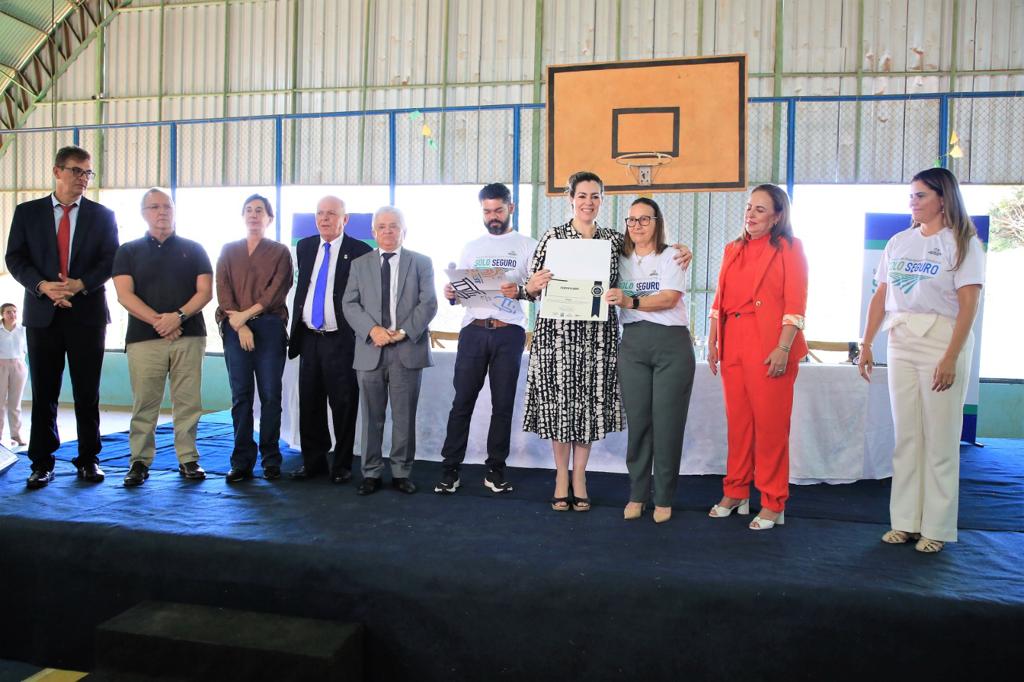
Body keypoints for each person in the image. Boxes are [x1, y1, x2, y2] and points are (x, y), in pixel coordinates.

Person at [858, 168, 984, 554]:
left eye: (920, 196)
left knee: (940, 439)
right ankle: (905, 521)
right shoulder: (899, 242)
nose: (912, 202)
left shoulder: (962, 243)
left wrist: (951, 357)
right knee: (907, 436)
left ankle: (937, 527)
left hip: (942, 340)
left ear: (943, 199)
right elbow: (881, 296)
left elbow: (969, 305)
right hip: (901, 341)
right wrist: (867, 343)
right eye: (911, 196)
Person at [4, 145, 119, 489]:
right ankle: (42, 462)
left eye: (88, 173)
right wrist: (43, 286)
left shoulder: (102, 216)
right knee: (44, 393)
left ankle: (89, 458)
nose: (83, 178)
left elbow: (111, 259)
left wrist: (80, 285)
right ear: (57, 172)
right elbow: (15, 258)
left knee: (87, 392)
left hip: (87, 314)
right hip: (43, 314)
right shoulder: (27, 213)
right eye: (76, 171)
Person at [517, 171, 624, 512]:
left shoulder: (614, 241)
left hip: (597, 337)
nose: (588, 202)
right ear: (570, 199)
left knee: (588, 406)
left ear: (602, 200)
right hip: (557, 337)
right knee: (561, 406)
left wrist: (678, 250)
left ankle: (580, 476)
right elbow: (530, 290)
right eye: (582, 196)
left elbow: (644, 261)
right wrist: (533, 285)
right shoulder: (553, 237)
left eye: (595, 196)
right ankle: (561, 476)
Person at [707, 184, 808, 531]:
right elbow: (719, 299)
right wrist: (713, 340)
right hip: (733, 340)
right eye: (749, 207)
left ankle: (773, 501)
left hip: (769, 345)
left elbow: (796, 302)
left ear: (777, 216)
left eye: (760, 209)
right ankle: (735, 491)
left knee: (770, 428)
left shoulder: (791, 248)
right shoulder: (732, 249)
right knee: (739, 425)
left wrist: (783, 347)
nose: (750, 214)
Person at [434, 183, 537, 495]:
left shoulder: (527, 246)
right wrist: (451, 294)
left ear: (511, 209)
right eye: (487, 211)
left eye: (498, 210)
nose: (493, 217)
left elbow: (538, 290)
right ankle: (450, 470)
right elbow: (461, 294)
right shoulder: (472, 247)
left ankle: (495, 469)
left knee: (502, 404)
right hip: (474, 330)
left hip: (509, 332)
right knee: (462, 402)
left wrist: (519, 291)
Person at [112, 188, 213, 487]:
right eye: (154, 207)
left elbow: (205, 292)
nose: (162, 212)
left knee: (188, 402)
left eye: (167, 206)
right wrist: (161, 322)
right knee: (145, 403)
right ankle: (139, 461)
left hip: (189, 336)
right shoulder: (128, 251)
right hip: (144, 339)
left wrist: (178, 317)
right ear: (143, 213)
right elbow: (124, 295)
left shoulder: (194, 249)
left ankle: (188, 458)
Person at [604, 198, 696, 524]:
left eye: (644, 219)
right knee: (639, 423)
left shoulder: (672, 256)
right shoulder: (617, 258)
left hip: (671, 345)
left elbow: (669, 298)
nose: (637, 225)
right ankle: (638, 494)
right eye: (631, 220)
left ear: (657, 222)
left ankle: (665, 497)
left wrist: (630, 300)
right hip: (633, 345)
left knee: (668, 425)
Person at [342, 206, 438, 496]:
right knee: (371, 417)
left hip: (407, 348)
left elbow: (428, 303)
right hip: (370, 349)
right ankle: (371, 472)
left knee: (404, 417)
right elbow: (349, 304)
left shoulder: (421, 262)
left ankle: (401, 472)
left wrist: (403, 331)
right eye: (381, 226)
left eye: (393, 225)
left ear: (403, 230)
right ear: (373, 232)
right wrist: (373, 330)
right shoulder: (359, 265)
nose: (387, 231)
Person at [288, 196, 372, 483]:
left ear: (344, 219)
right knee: (310, 403)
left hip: (342, 340)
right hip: (309, 337)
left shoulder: (360, 252)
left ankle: (342, 465)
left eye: (331, 214)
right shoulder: (305, 247)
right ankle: (313, 462)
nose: (324, 218)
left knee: (344, 403)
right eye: (320, 213)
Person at [215, 195, 293, 483]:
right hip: (235, 327)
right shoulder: (228, 250)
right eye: (248, 210)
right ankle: (241, 461)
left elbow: (276, 291)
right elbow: (223, 290)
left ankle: (271, 459)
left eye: (259, 210)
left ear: (269, 218)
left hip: (269, 326)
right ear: (242, 216)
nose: (253, 215)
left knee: (271, 395)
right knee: (241, 395)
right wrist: (240, 325)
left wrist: (246, 316)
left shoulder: (280, 252)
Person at [0, 303, 28, 447]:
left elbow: (28, 348)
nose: (12, 314)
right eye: (9, 312)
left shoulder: (23, 329)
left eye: (14, 311)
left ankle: (16, 435)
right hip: (1, 365)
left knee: (15, 404)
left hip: (18, 366)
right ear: (2, 314)